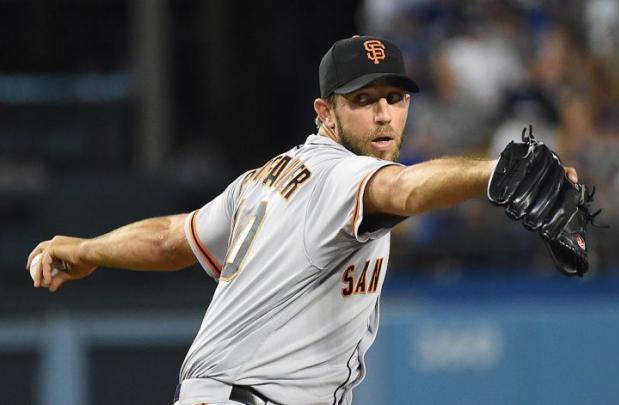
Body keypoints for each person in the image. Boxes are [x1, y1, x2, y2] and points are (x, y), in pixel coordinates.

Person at [27, 36, 577, 405]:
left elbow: (175, 237)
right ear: (325, 113)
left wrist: (89, 249)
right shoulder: (339, 178)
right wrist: (492, 172)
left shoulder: (262, 180)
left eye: (394, 98)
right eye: (363, 100)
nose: (384, 114)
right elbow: (404, 188)